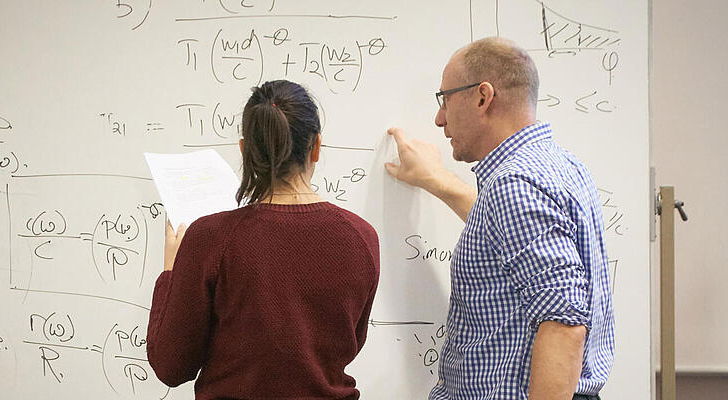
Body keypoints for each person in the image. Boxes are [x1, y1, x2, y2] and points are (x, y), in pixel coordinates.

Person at [384, 37, 614, 400]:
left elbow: (563, 323)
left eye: (445, 99)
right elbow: (506, 239)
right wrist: (439, 181)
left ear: (482, 96)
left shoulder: (514, 184)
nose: (439, 118)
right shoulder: (562, 166)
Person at [147, 80, 380, 399]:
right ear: (316, 147)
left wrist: (171, 272)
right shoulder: (362, 237)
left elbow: (171, 366)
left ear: (245, 150)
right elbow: (347, 343)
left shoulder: (210, 238)